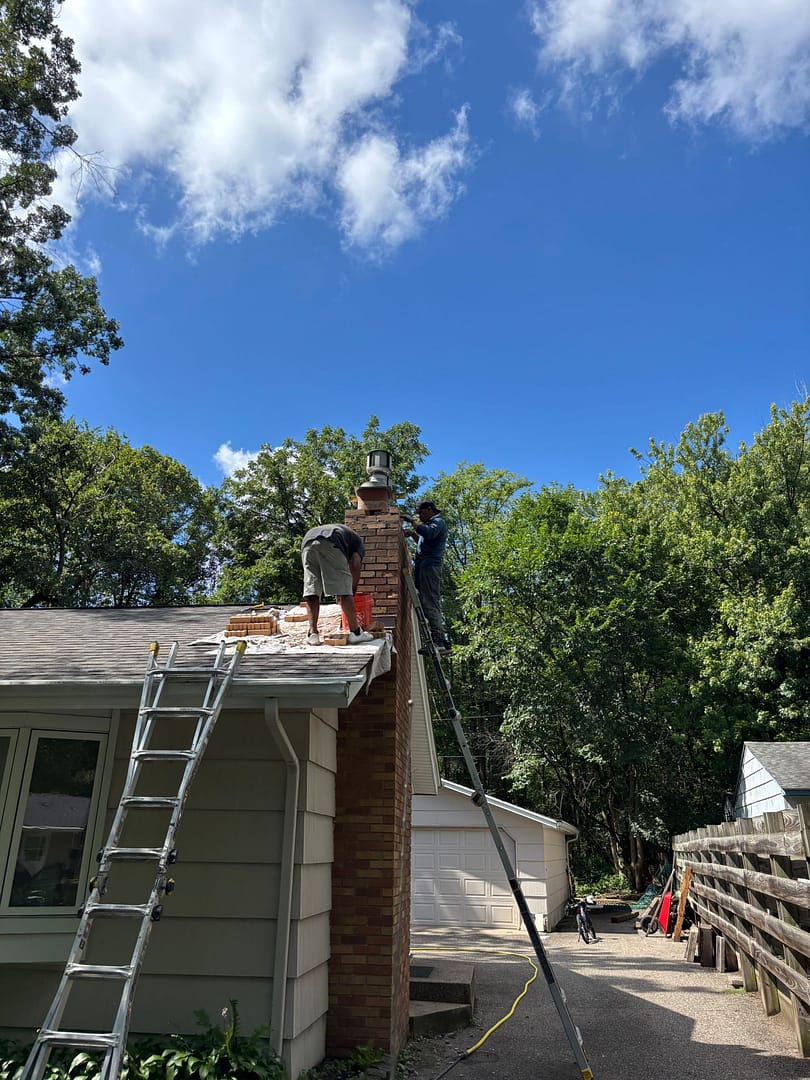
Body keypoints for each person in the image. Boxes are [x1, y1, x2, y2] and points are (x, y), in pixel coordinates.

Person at [300, 524, 374, 646]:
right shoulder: (358, 542)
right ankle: (356, 633)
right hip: (332, 541)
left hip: (307, 543)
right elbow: (355, 564)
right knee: (344, 591)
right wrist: (352, 587)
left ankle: (313, 634)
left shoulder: (345, 533)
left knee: (311, 589)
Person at [403, 499, 449, 654]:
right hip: (424, 566)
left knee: (429, 601)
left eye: (420, 512)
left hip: (430, 567)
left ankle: (439, 641)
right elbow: (425, 541)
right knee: (424, 601)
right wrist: (412, 536)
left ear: (430, 509)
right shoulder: (430, 524)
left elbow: (428, 533)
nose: (419, 516)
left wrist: (412, 522)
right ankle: (435, 639)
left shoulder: (438, 522)